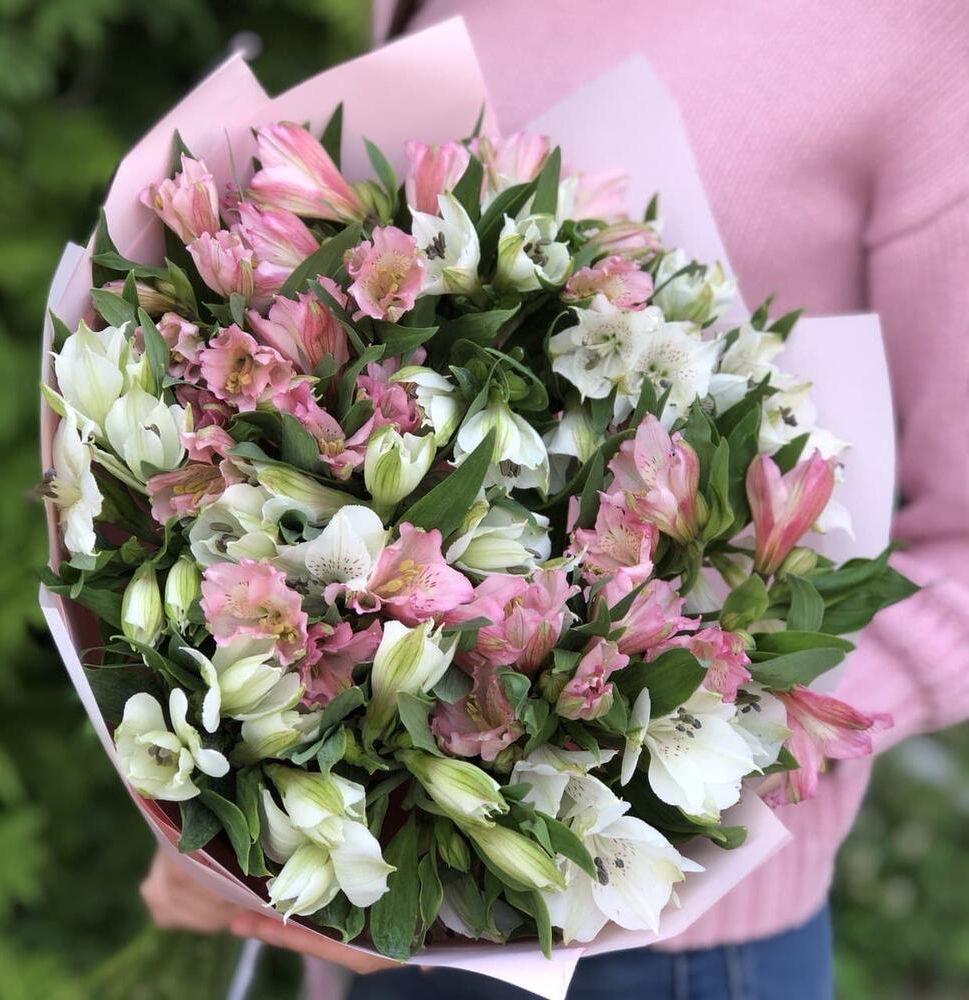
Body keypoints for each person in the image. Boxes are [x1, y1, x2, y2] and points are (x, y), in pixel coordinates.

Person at [141, 2, 969, 996]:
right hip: (375, 909)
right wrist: (235, 812)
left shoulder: (919, 38)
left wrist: (728, 713)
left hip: (670, 948)